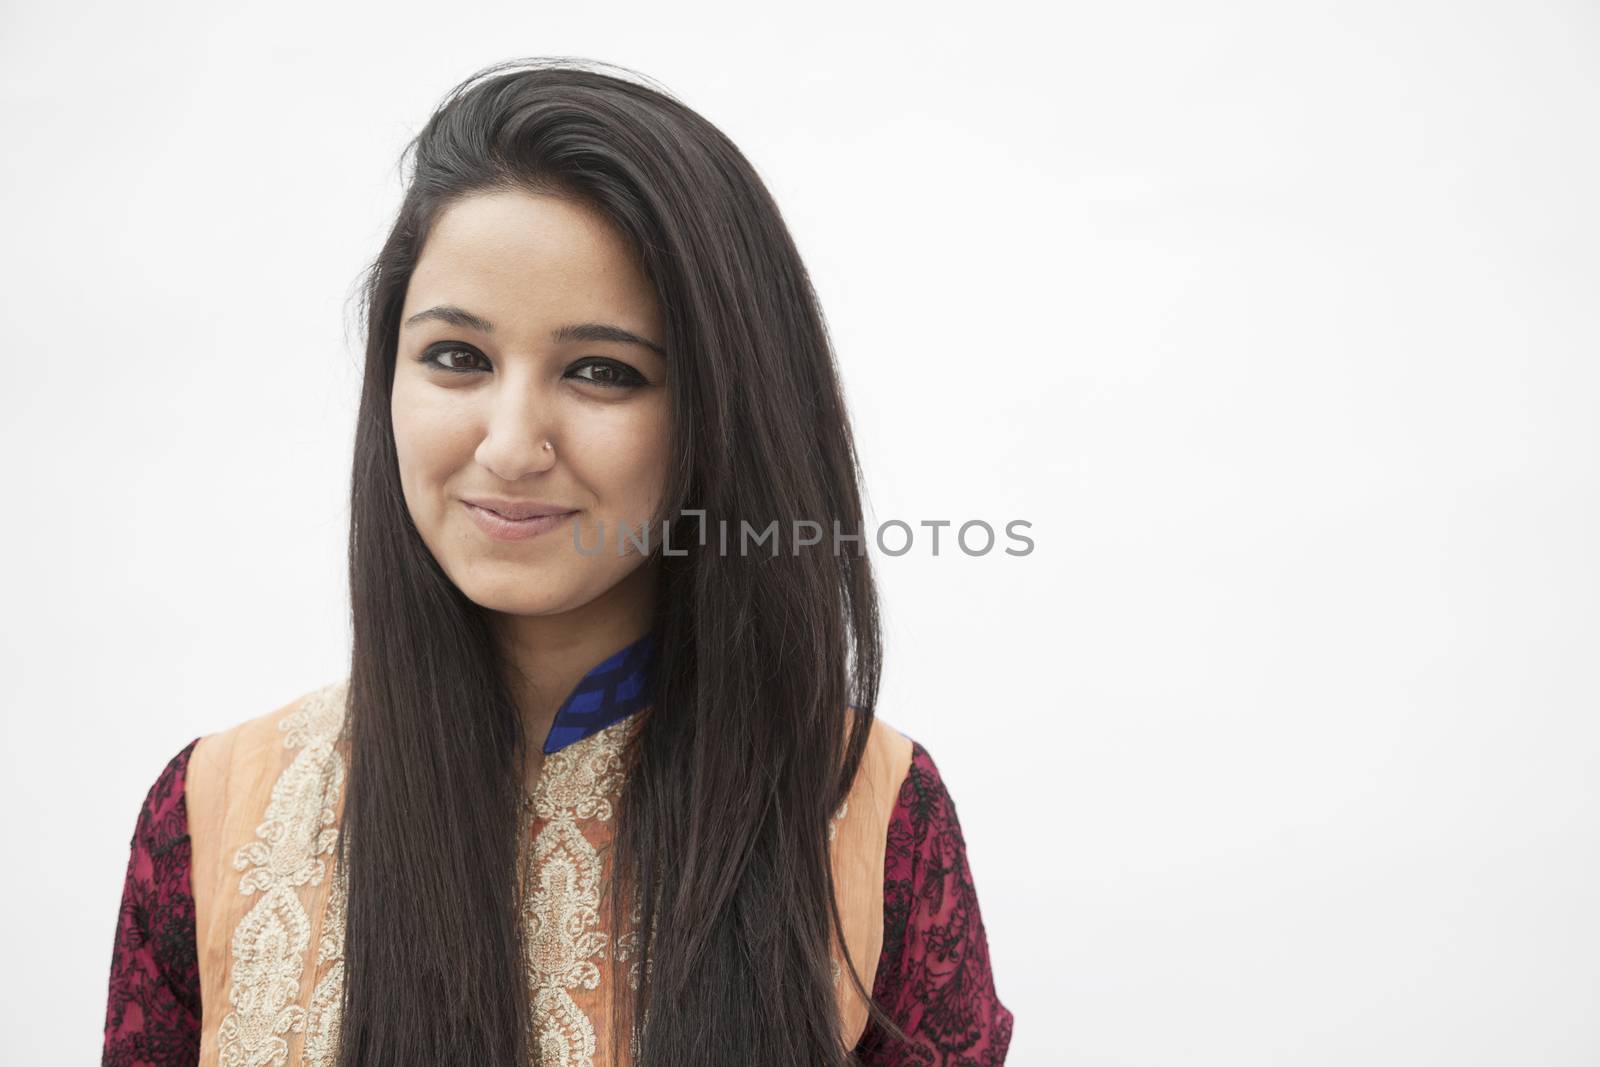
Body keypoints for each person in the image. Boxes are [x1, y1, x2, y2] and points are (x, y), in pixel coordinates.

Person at [102, 58, 1013, 1067]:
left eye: (600, 371)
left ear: (722, 412)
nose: (508, 442)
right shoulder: (218, 809)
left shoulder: (866, 810)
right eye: (457, 356)